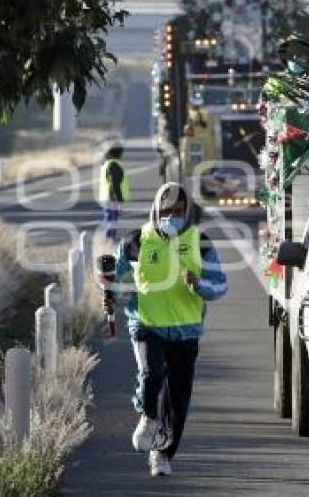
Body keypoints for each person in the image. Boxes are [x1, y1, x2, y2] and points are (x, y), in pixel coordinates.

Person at [112, 182, 227, 477]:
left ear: (187, 211)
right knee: (152, 373)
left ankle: (162, 454)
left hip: (186, 331)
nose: (172, 216)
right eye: (166, 211)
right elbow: (117, 278)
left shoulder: (200, 242)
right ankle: (149, 417)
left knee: (178, 398)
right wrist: (109, 285)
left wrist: (198, 285)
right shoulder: (136, 240)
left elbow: (220, 286)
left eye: (178, 211)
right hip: (147, 324)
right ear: (155, 210)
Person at [98, 143, 129, 242]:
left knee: (109, 219)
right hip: (112, 198)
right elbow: (115, 185)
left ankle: (108, 239)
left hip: (105, 197)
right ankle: (109, 240)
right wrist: (119, 200)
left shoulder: (107, 164)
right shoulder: (114, 165)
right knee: (112, 221)